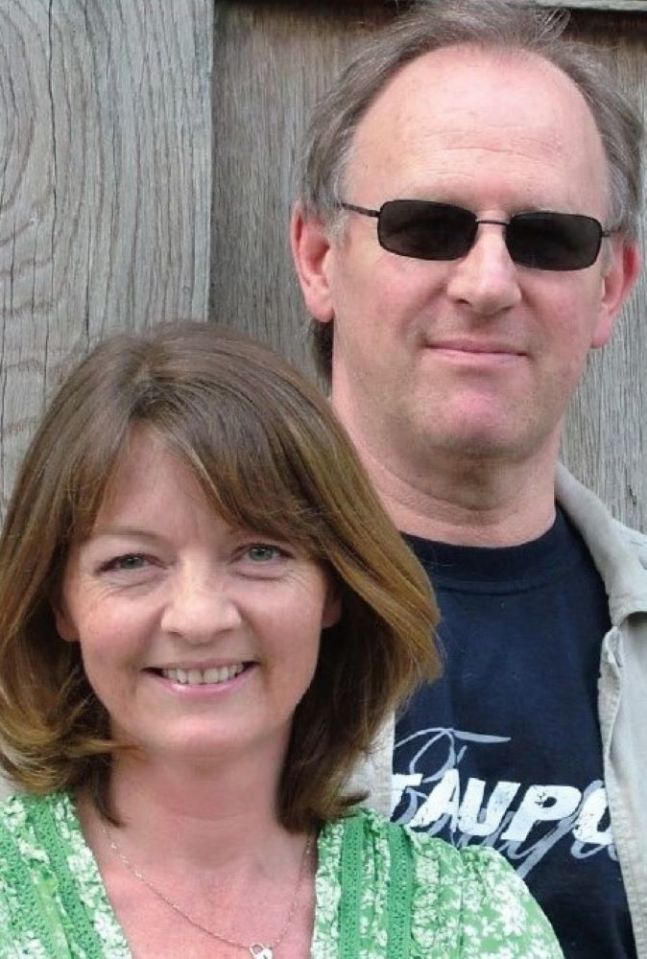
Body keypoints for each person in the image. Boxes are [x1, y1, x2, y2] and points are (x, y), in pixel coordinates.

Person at [0, 322, 562, 958]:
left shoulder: (468, 917)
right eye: (132, 562)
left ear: (335, 587)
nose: (199, 617)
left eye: (259, 552)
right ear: (60, 602)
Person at [290, 2, 646, 958]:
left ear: (609, 286)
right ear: (319, 259)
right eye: (428, 226)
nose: (487, 283)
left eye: (547, 238)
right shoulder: (163, 632)